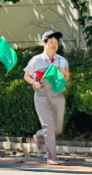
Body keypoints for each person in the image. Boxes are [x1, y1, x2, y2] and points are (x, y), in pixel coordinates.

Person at [24, 30, 70, 165]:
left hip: (58, 94)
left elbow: (67, 77)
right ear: (44, 43)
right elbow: (26, 75)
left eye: (56, 43)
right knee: (49, 126)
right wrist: (34, 83)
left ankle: (40, 135)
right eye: (51, 42)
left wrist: (64, 72)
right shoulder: (36, 60)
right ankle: (52, 157)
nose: (54, 45)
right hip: (42, 96)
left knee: (58, 127)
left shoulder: (62, 60)